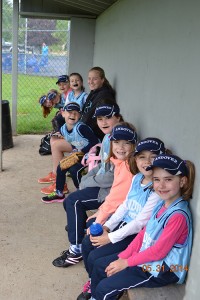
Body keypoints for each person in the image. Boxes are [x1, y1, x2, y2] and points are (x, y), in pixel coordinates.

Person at [89, 154, 195, 300]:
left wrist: (126, 263)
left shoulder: (178, 215)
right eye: (156, 179)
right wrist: (123, 256)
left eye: (168, 179)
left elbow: (159, 252)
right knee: (101, 265)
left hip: (164, 269)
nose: (161, 185)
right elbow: (143, 234)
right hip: (149, 257)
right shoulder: (161, 204)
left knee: (104, 288)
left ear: (182, 181)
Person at [77, 137, 168, 300]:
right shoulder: (136, 178)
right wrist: (108, 226)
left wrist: (110, 238)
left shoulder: (157, 189)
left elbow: (139, 223)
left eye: (153, 156)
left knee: (98, 259)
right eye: (142, 156)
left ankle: (100, 290)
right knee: (87, 243)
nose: (147, 161)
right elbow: (125, 205)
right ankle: (94, 283)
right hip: (121, 226)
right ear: (135, 159)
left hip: (134, 235)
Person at [51, 106, 136, 268]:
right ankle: (79, 230)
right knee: (70, 201)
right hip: (105, 188)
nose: (103, 122)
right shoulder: (108, 139)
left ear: (118, 118)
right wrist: (87, 179)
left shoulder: (123, 151)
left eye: (108, 118)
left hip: (108, 191)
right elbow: (104, 165)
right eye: (99, 119)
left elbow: (112, 182)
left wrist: (87, 185)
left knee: (73, 201)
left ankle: (76, 249)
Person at [38, 102, 99, 196]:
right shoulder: (63, 129)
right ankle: (59, 192)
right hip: (80, 153)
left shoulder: (81, 127)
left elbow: (94, 142)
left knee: (74, 169)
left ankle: (81, 192)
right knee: (61, 166)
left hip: (93, 153)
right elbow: (73, 141)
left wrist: (80, 151)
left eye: (76, 113)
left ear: (80, 115)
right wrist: (75, 150)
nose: (72, 115)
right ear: (63, 113)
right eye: (69, 112)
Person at [81, 66, 116, 140]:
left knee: (56, 144)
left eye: (95, 79)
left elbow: (90, 119)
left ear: (102, 80)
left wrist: (76, 130)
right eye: (89, 78)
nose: (90, 82)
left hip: (94, 135)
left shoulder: (104, 96)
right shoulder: (94, 92)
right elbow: (84, 112)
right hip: (85, 129)